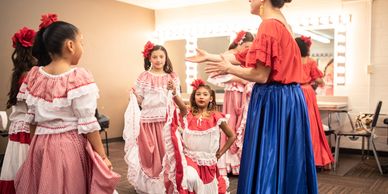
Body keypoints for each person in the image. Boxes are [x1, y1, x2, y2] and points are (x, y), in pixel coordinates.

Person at [186, 0, 318, 193]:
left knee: (269, 156)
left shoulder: (269, 25)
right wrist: (210, 56)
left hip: (274, 100)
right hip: (287, 98)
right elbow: (245, 56)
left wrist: (228, 69)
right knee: (284, 157)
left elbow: (260, 75)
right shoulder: (281, 23)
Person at [14, 13, 120, 194]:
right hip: (68, 145)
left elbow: (31, 120)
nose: (82, 47)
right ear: (70, 45)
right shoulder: (78, 77)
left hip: (40, 144)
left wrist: (34, 151)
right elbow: (88, 124)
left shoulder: (34, 76)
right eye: (82, 42)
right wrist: (102, 156)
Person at [123, 41, 181, 193]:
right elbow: (141, 100)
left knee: (166, 153)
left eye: (161, 56)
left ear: (166, 58)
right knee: (150, 153)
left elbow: (177, 98)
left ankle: (167, 183)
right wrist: (134, 95)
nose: (158, 60)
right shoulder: (144, 77)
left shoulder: (172, 77)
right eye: (155, 57)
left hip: (166, 121)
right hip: (148, 120)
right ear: (149, 59)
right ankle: (152, 185)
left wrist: (174, 90)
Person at [164, 79, 236, 193]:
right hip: (190, 158)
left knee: (206, 188)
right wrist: (173, 91)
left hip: (208, 161)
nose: (201, 97)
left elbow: (232, 136)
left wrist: (220, 153)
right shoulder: (188, 114)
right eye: (198, 94)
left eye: (205, 94)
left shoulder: (216, 117)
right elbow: (180, 104)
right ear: (194, 97)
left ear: (211, 98)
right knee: (190, 178)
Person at [212, 31, 254, 176]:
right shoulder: (229, 55)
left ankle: (240, 163)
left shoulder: (247, 57)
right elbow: (217, 76)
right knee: (230, 126)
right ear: (239, 43)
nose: (249, 49)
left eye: (251, 47)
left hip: (244, 94)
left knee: (241, 126)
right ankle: (228, 163)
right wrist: (240, 78)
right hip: (233, 94)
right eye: (247, 46)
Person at [0, 27, 36, 194]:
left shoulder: (19, 73)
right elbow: (34, 110)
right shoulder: (30, 75)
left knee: (16, 167)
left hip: (17, 128)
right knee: (27, 173)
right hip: (27, 130)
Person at [296, 36, 334, 169]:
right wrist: (320, 81)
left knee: (296, 125)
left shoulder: (292, 61)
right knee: (311, 125)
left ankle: (298, 159)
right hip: (307, 92)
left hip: (294, 92)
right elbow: (319, 80)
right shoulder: (310, 62)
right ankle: (313, 158)